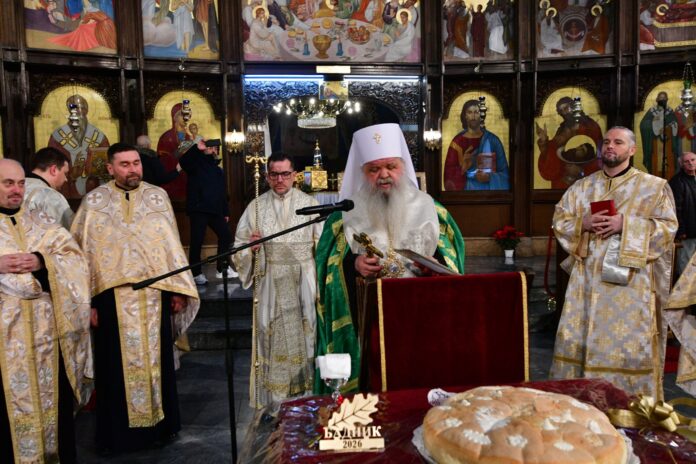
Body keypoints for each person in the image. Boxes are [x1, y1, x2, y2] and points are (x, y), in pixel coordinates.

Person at [314, 123, 466, 393]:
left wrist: (435, 267)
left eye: (390, 167)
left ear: (402, 167)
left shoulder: (431, 209)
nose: (384, 175)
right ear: (363, 172)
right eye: (374, 169)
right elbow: (328, 265)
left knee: (418, 377)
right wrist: (354, 265)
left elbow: (452, 261)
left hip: (421, 314)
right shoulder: (344, 214)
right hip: (369, 318)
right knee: (374, 381)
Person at [71, 143, 200, 454]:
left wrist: (176, 290)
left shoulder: (158, 197)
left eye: (136, 163)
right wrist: (87, 304)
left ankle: (161, 429)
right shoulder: (93, 203)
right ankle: (118, 437)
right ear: (110, 168)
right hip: (110, 301)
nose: (133, 170)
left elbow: (170, 246)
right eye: (125, 164)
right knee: (113, 371)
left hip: (155, 296)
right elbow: (80, 256)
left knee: (159, 365)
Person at [550, 126, 677, 399]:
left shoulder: (654, 187)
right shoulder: (582, 187)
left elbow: (667, 229)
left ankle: (628, 404)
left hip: (630, 287)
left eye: (618, 142)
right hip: (586, 284)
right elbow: (560, 220)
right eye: (606, 141)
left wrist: (625, 224)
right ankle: (580, 404)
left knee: (627, 345)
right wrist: (582, 223)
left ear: (632, 150)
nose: (610, 146)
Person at [0, 159, 92, 464]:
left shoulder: (41, 221)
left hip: (48, 340)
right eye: (8, 183)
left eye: (20, 183)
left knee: (55, 408)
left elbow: (74, 260)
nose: (16, 190)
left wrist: (42, 261)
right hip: (4, 343)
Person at [232, 153, 322, 407]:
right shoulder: (256, 207)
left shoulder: (310, 204)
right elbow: (239, 246)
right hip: (270, 281)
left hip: (304, 282)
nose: (280, 179)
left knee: (307, 336)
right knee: (270, 336)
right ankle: (275, 404)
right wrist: (251, 249)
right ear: (267, 176)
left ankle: (306, 401)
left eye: (285, 174)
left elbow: (322, 246)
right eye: (274, 174)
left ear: (295, 175)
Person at [178, 139, 237, 284]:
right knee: (197, 241)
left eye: (216, 148)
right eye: (211, 148)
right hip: (199, 209)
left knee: (226, 235)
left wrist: (225, 212)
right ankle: (196, 273)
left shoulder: (218, 169)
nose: (214, 150)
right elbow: (183, 162)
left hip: (215, 210)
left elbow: (222, 192)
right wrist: (196, 148)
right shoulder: (195, 164)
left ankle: (222, 268)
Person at [47, 94, 110, 198]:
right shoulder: (58, 135)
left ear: (86, 110)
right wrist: (72, 171)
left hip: (92, 188)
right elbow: (52, 162)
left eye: (81, 108)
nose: (77, 112)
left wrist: (89, 167)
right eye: (73, 109)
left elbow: (105, 163)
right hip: (67, 187)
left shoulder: (98, 136)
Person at [537, 96, 603, 189]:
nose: (564, 112)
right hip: (564, 177)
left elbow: (598, 152)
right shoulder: (562, 129)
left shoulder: (590, 125)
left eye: (566, 108)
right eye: (561, 111)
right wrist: (544, 142)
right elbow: (553, 149)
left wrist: (580, 170)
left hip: (587, 178)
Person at [444, 99, 509, 190]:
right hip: (466, 193)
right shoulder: (457, 142)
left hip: (491, 194)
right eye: (469, 112)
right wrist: (463, 168)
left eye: (476, 112)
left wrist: (489, 177)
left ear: (481, 115)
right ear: (465, 116)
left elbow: (505, 175)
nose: (473, 116)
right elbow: (448, 179)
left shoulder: (493, 140)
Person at [24, 146, 75, 228]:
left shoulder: (12, 189)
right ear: (53, 170)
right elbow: (72, 230)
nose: (66, 179)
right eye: (65, 173)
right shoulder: (51, 196)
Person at [639, 91, 680, 179]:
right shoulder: (652, 111)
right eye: (660, 98)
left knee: (669, 163)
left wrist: (668, 128)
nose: (662, 100)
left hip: (668, 144)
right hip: (655, 143)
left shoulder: (670, 112)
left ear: (667, 100)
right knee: (656, 164)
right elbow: (643, 125)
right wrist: (654, 125)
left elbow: (675, 124)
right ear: (657, 99)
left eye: (664, 98)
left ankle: (670, 179)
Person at [669, 152, 696, 278]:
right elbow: (675, 209)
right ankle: (683, 290)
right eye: (686, 161)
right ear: (681, 164)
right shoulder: (677, 182)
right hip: (688, 232)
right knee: (686, 265)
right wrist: (681, 231)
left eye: (693, 160)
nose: (690, 163)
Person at [157, 103, 190, 200]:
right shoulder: (166, 137)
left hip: (186, 179)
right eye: (183, 115)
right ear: (175, 117)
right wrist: (180, 151)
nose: (186, 118)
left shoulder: (188, 136)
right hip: (172, 179)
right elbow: (163, 160)